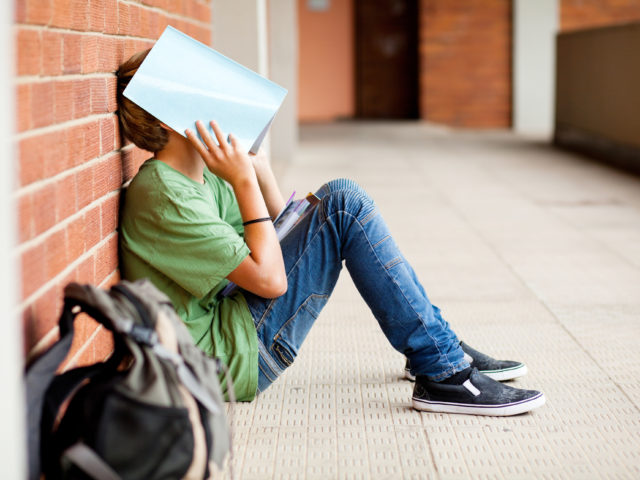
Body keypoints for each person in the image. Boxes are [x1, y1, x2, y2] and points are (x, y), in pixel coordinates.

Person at [117, 50, 545, 416]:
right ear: (172, 116)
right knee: (343, 203)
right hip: (225, 358)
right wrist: (243, 181)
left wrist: (259, 170)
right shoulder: (164, 192)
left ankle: (437, 349)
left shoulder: (197, 177)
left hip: (232, 323)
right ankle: (444, 370)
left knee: (338, 204)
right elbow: (270, 279)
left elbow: (277, 229)